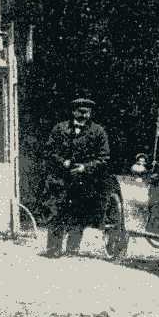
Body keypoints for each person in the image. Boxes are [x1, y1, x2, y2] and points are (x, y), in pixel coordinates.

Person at [42, 96, 111, 256]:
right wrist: (62, 162)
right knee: (56, 213)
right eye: (81, 112)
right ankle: (53, 249)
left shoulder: (98, 131)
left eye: (88, 113)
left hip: (83, 181)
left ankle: (73, 249)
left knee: (78, 214)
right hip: (59, 179)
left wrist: (84, 167)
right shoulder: (60, 129)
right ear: (73, 112)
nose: (85, 116)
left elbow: (104, 158)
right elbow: (49, 151)